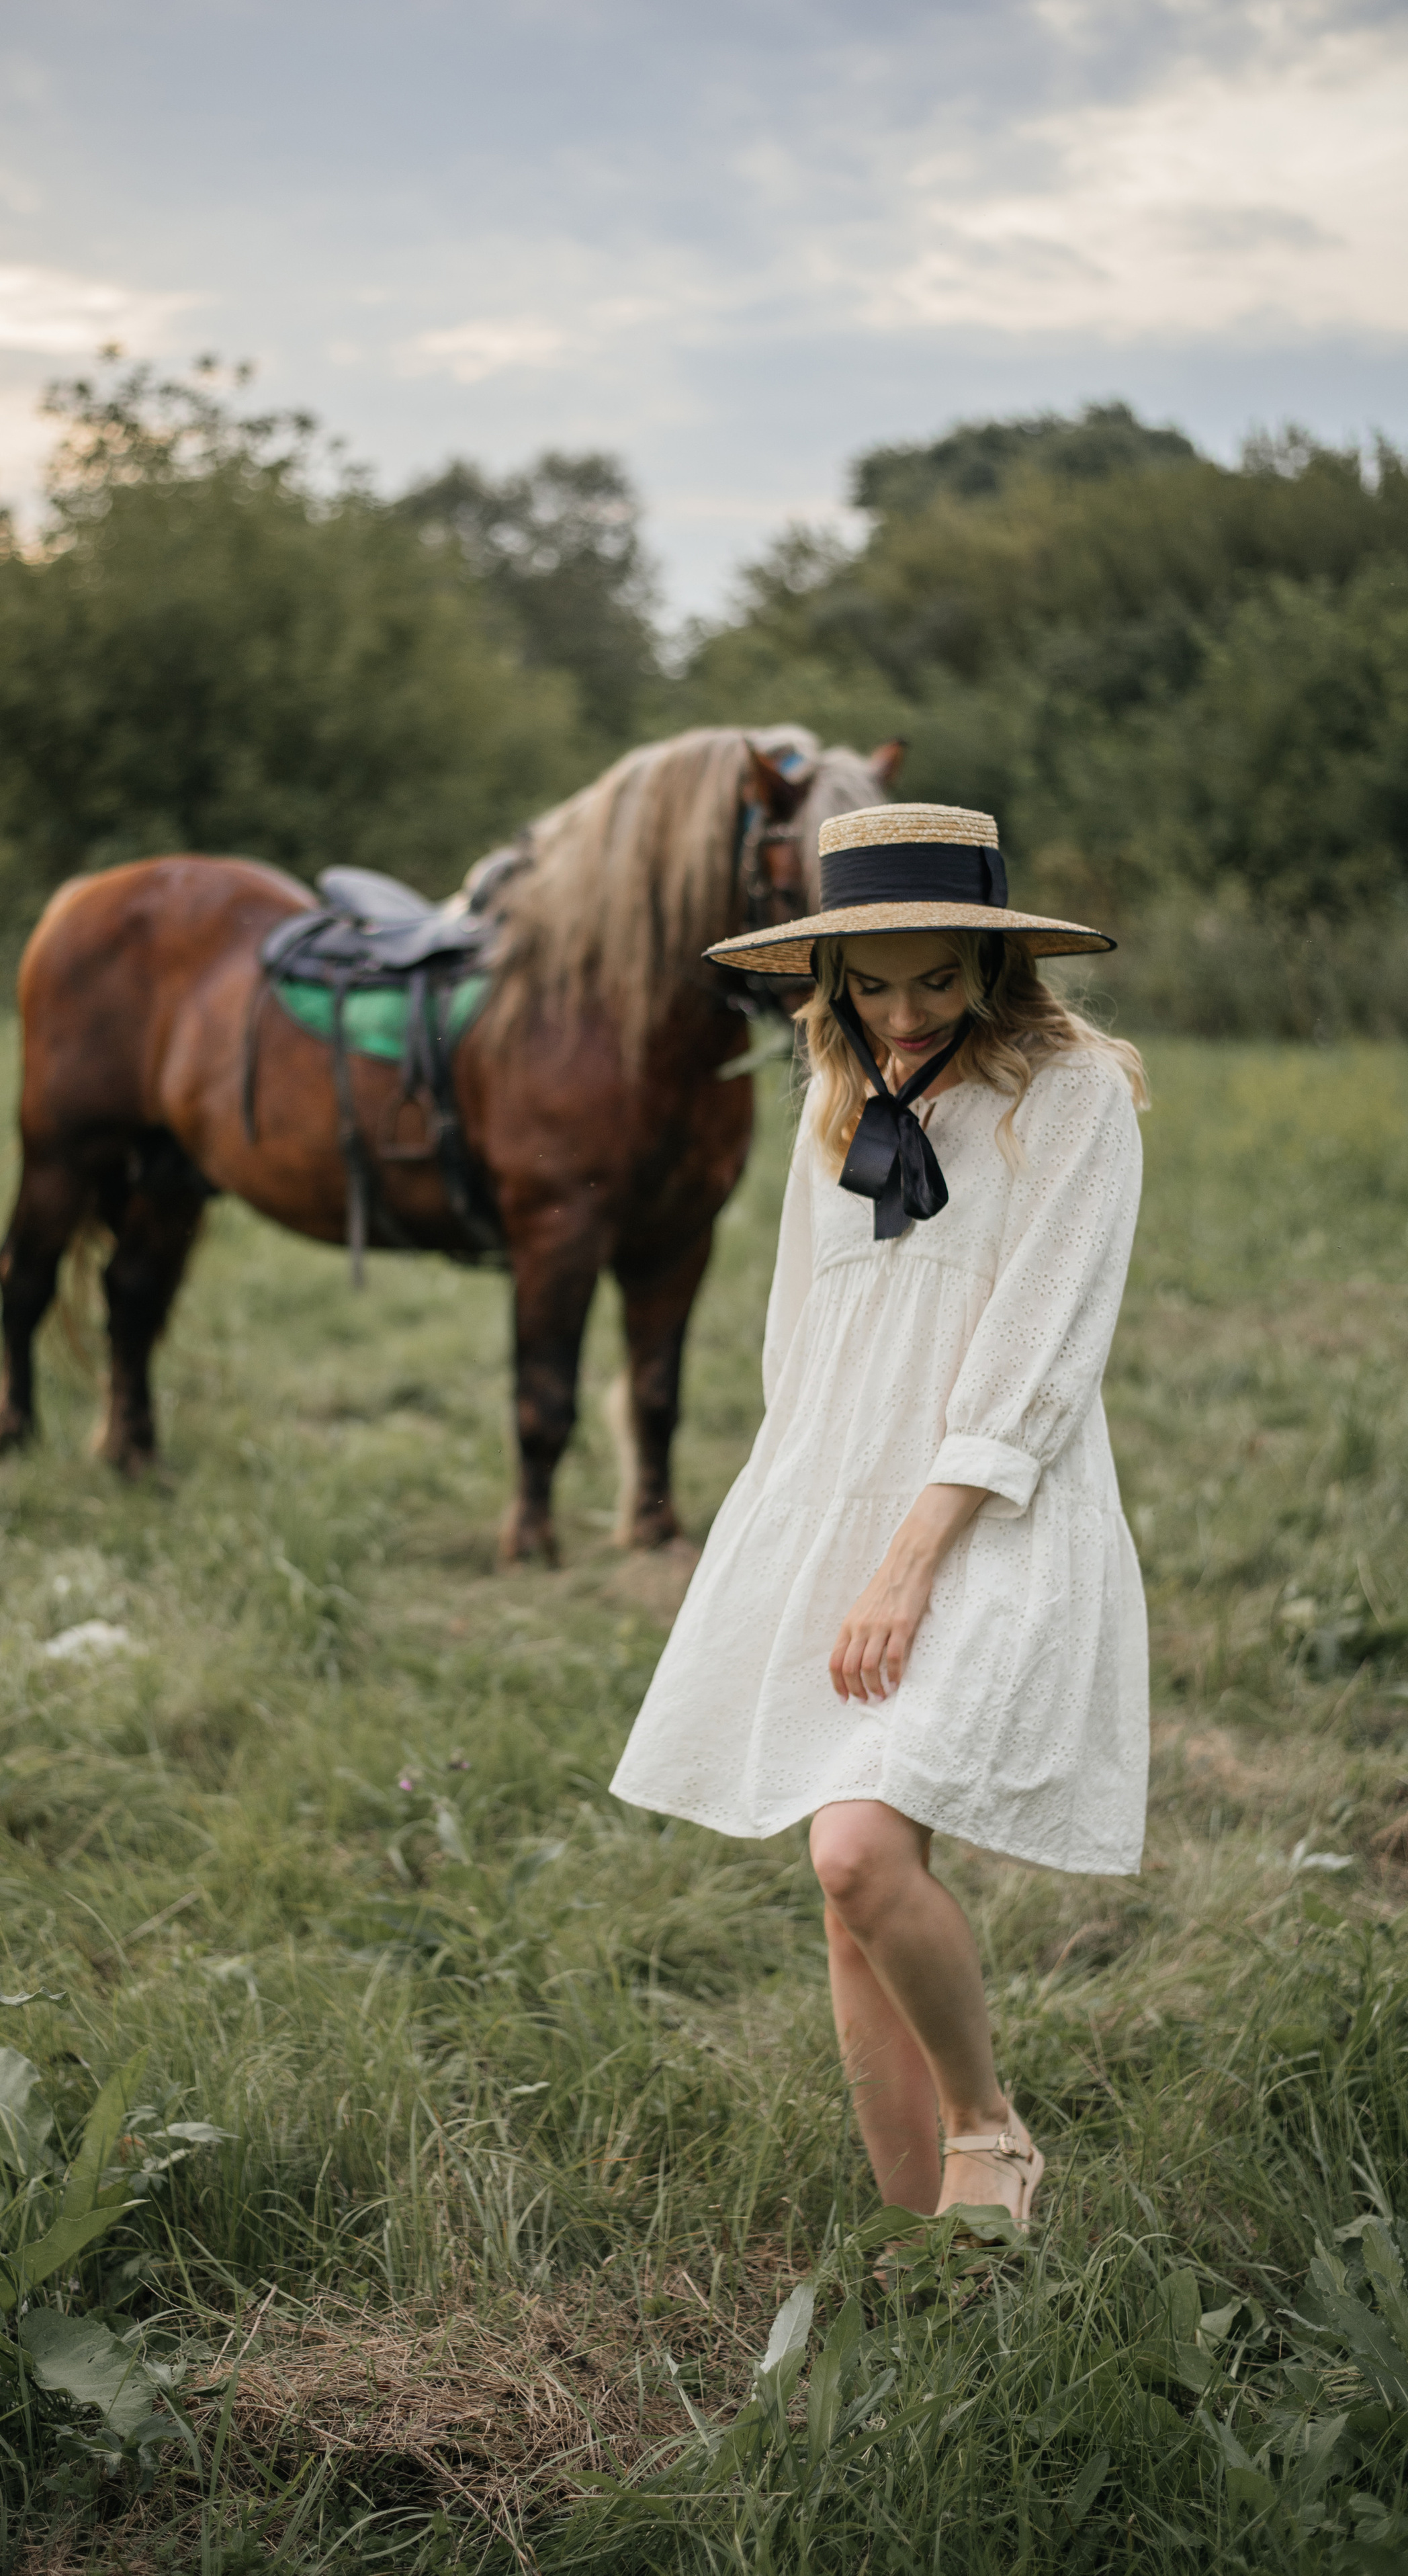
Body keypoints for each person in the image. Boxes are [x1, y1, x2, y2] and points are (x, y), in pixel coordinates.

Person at [609, 802, 1149, 2234]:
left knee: (856, 1848)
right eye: (869, 983)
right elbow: (803, 1338)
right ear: (828, 980)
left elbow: (1039, 1354)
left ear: (990, 961)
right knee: (848, 1876)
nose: (899, 1013)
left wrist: (906, 1565)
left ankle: (986, 2128)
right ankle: (934, 2241)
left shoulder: (1071, 1097)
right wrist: (800, 1542)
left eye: (933, 979)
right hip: (836, 1507)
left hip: (986, 1509)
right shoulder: (834, 1102)